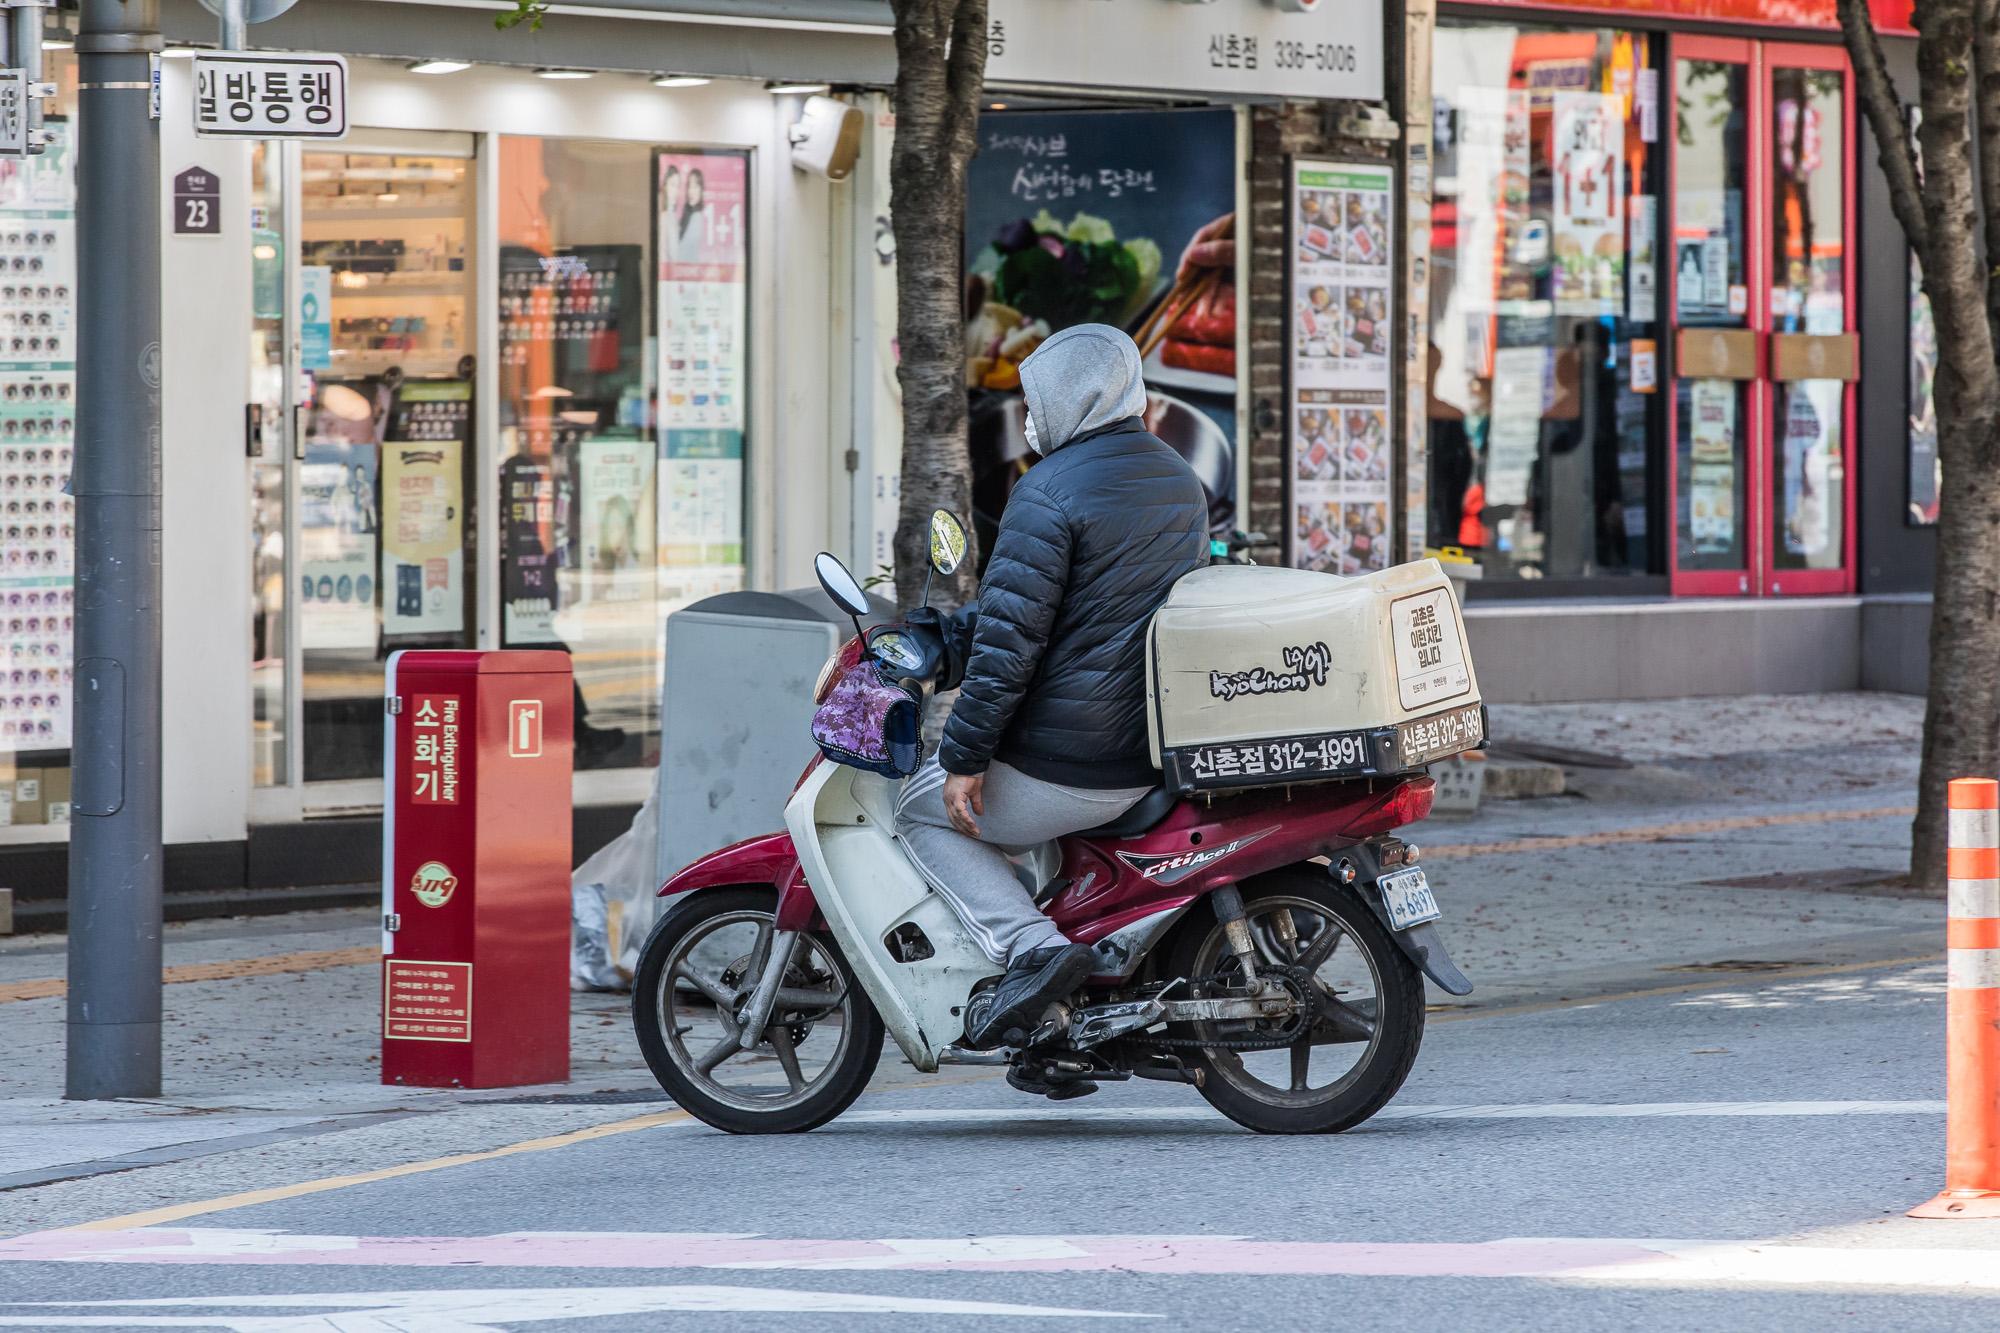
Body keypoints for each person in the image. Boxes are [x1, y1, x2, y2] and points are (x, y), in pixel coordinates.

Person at [894, 323, 1209, 1053]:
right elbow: (1081, 610)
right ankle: (1053, 1034)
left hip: (1070, 759)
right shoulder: (1177, 478)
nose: (1029, 418)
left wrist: (966, 757)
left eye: (1035, 400)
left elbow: (1011, 649)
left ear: (1074, 396)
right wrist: (951, 635)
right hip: (1143, 748)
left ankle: (1031, 949)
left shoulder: (1048, 491)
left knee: (917, 808)